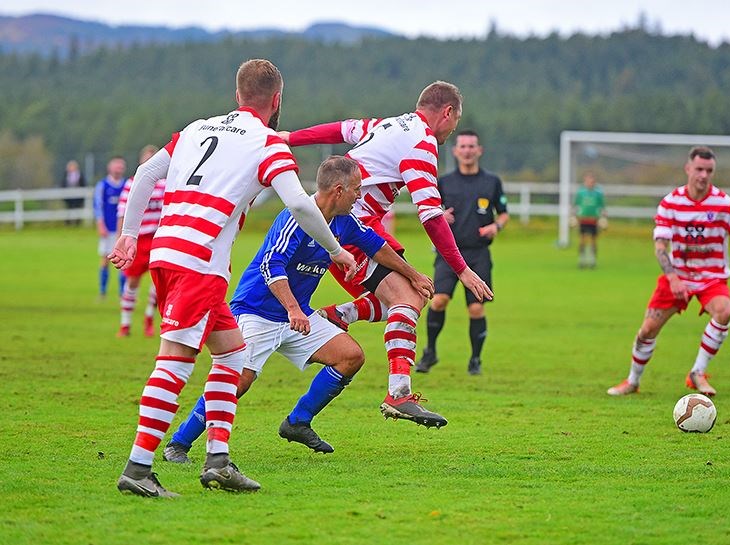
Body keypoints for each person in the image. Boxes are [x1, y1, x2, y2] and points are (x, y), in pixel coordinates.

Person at [109, 58, 356, 498]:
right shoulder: (267, 143)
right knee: (175, 362)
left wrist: (129, 236)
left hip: (169, 252)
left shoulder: (194, 129)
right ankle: (138, 468)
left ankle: (218, 461)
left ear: (236, 94)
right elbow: (300, 206)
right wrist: (336, 251)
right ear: (277, 100)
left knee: (230, 354)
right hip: (199, 263)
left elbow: (146, 174)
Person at [162, 156, 435, 463]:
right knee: (238, 380)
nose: (360, 195)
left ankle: (297, 422)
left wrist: (413, 275)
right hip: (257, 311)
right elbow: (271, 264)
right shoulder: (296, 215)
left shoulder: (345, 221)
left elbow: (376, 246)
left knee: (350, 357)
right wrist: (293, 310)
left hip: (297, 314)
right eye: (357, 189)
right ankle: (179, 443)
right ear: (338, 190)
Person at [281, 81, 493, 427]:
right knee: (409, 296)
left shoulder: (388, 124)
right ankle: (398, 393)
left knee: (414, 295)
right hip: (351, 230)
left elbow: (338, 129)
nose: (453, 130)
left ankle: (340, 316)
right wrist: (463, 270)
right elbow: (431, 216)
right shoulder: (421, 143)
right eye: (456, 121)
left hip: (351, 228)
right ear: (448, 112)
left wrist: (290, 137)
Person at [607, 146, 730, 397]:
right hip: (677, 276)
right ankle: (633, 381)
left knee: (724, 310)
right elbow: (660, 246)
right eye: (699, 169)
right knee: (647, 330)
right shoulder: (671, 202)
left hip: (711, 278)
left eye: (709, 170)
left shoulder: (724, 204)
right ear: (688, 168)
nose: (703, 175)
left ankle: (697, 372)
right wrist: (673, 277)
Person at [416, 130, 508, 376]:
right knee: (438, 300)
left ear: (479, 151)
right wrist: (440, 215)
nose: (467, 150)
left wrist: (496, 226)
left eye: (472, 146)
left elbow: (504, 213)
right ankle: (430, 352)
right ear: (456, 151)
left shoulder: (491, 182)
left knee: (476, 308)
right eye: (463, 146)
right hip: (449, 253)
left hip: (478, 254)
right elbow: (429, 209)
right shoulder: (444, 182)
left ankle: (475, 360)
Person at [115, 145, 165, 338]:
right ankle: (125, 324)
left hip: (156, 238)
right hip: (138, 238)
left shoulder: (164, 184)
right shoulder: (132, 182)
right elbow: (122, 211)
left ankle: (149, 318)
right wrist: (121, 236)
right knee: (133, 280)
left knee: (158, 281)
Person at [94, 156, 127, 300]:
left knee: (124, 261)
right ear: (110, 167)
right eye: (116, 165)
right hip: (108, 230)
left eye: (121, 166)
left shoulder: (126, 185)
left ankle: (123, 293)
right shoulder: (103, 185)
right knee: (105, 259)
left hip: (123, 231)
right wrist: (100, 225)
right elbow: (98, 207)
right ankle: (102, 292)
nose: (118, 168)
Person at [572, 172, 607, 268]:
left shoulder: (598, 194)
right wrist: (573, 217)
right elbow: (575, 205)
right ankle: (582, 259)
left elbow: (602, 207)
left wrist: (604, 219)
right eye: (588, 181)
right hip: (583, 219)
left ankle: (592, 260)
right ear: (585, 182)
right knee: (582, 240)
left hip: (594, 219)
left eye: (592, 182)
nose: (590, 183)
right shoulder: (581, 193)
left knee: (593, 240)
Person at [61, 159, 86, 226]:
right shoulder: (66, 175)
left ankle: (77, 223)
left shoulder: (80, 175)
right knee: (69, 209)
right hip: (69, 196)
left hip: (78, 196)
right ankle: (68, 223)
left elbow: (83, 184)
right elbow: (63, 184)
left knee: (78, 209)